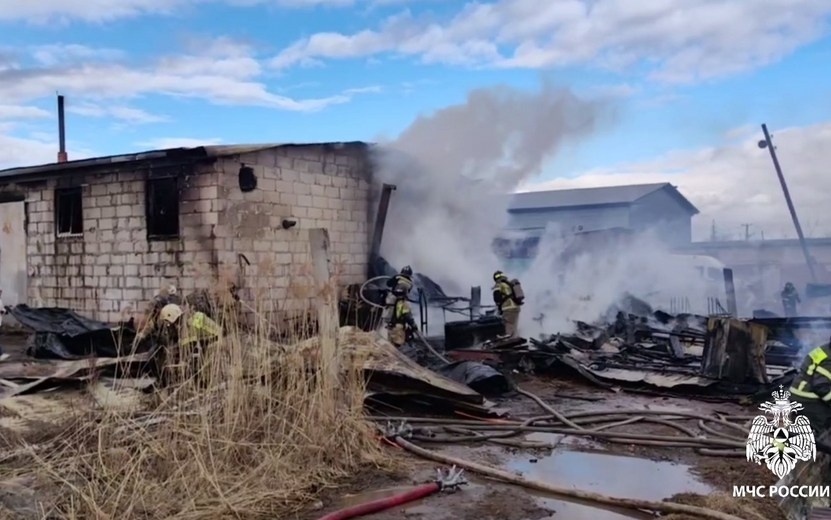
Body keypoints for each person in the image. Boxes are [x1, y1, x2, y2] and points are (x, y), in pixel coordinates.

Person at [152, 303, 222, 385]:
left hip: (216, 342)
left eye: (168, 323)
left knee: (202, 368)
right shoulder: (190, 318)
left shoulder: (188, 325)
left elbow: (187, 348)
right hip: (210, 340)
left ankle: (206, 384)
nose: (169, 326)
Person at [789, 340, 831, 450]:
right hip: (808, 400)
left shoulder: (825, 350)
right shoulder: (828, 360)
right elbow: (821, 387)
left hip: (798, 396)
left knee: (800, 432)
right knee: (821, 433)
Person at [492, 271, 524, 338]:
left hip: (508, 308)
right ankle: (515, 338)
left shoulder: (498, 285)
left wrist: (499, 308)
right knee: (514, 325)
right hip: (516, 308)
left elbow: (497, 298)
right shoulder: (509, 284)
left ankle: (509, 339)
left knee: (508, 325)